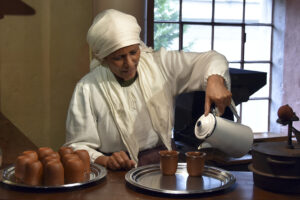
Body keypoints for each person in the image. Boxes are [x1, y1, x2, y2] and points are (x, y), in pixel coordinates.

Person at [64, 9, 232, 170]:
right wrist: (106, 160)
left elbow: (212, 58)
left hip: (165, 164)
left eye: (133, 52)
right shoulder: (87, 88)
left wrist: (215, 79)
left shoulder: (160, 65)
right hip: (117, 173)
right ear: (104, 58)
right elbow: (77, 145)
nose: (129, 63)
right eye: (118, 57)